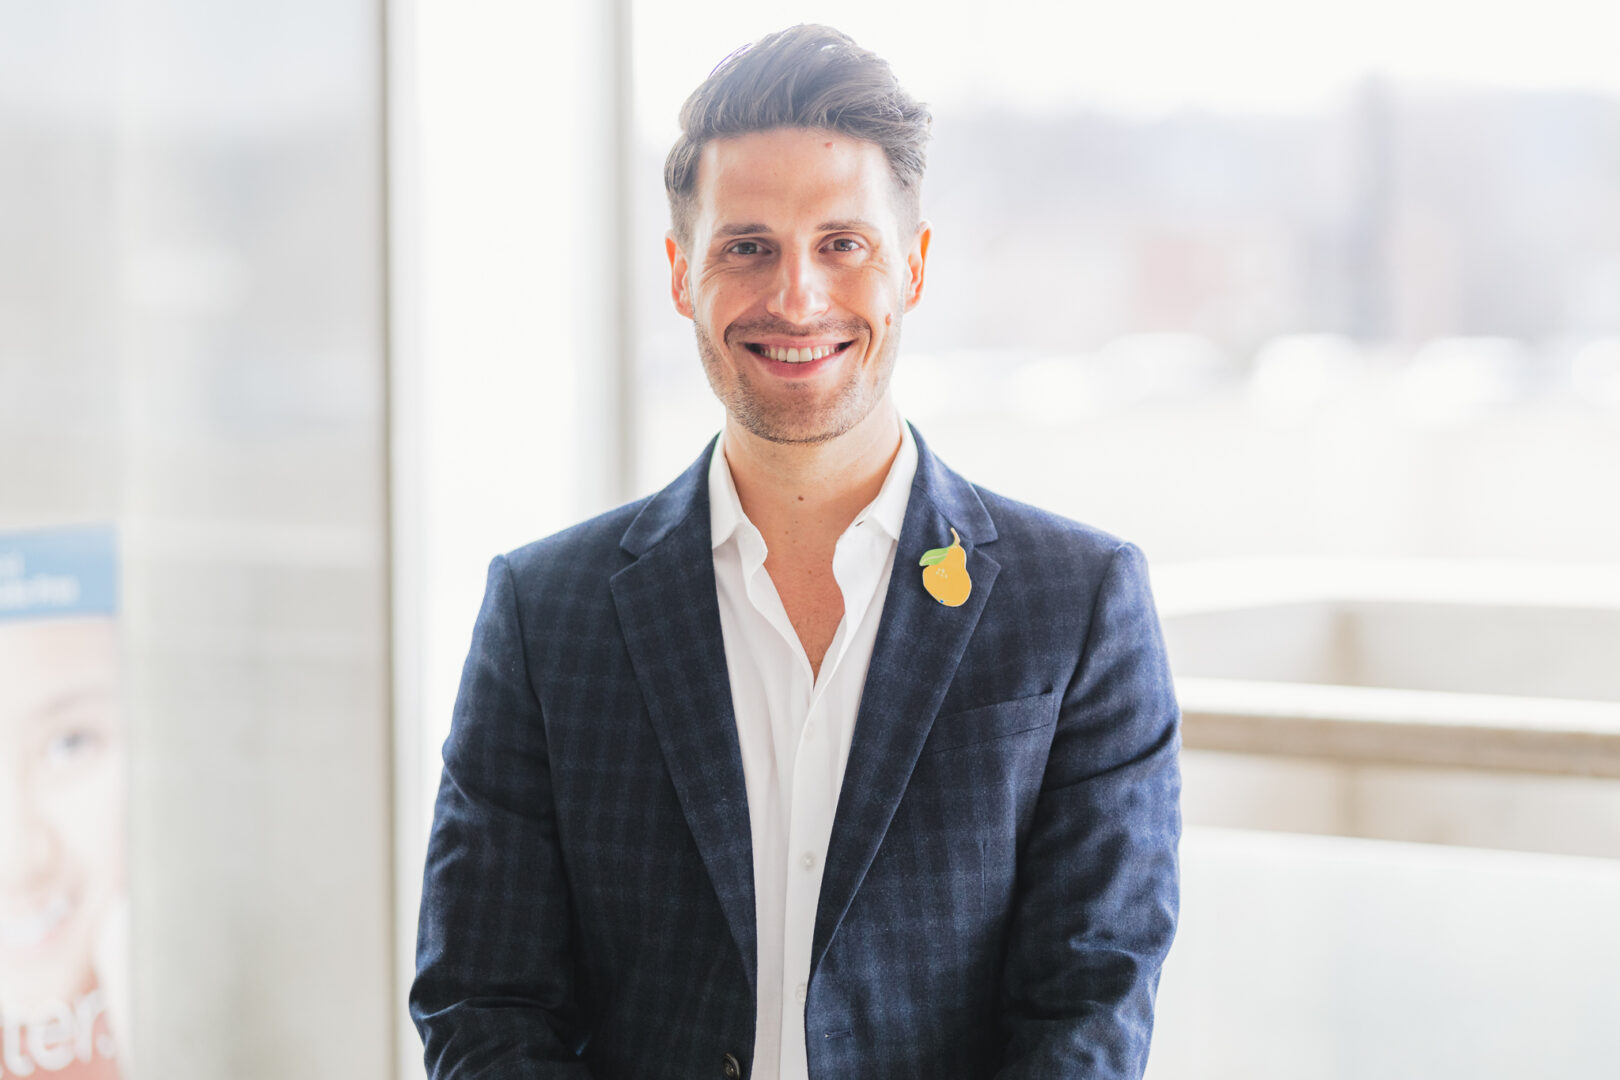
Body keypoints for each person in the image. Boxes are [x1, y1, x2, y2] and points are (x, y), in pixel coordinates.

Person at [411, 23, 1180, 1080]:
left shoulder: (1078, 608)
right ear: (683, 274)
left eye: (842, 244)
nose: (797, 298)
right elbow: (482, 1003)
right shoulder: (546, 615)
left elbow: (1088, 1009)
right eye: (748, 247)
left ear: (911, 264)